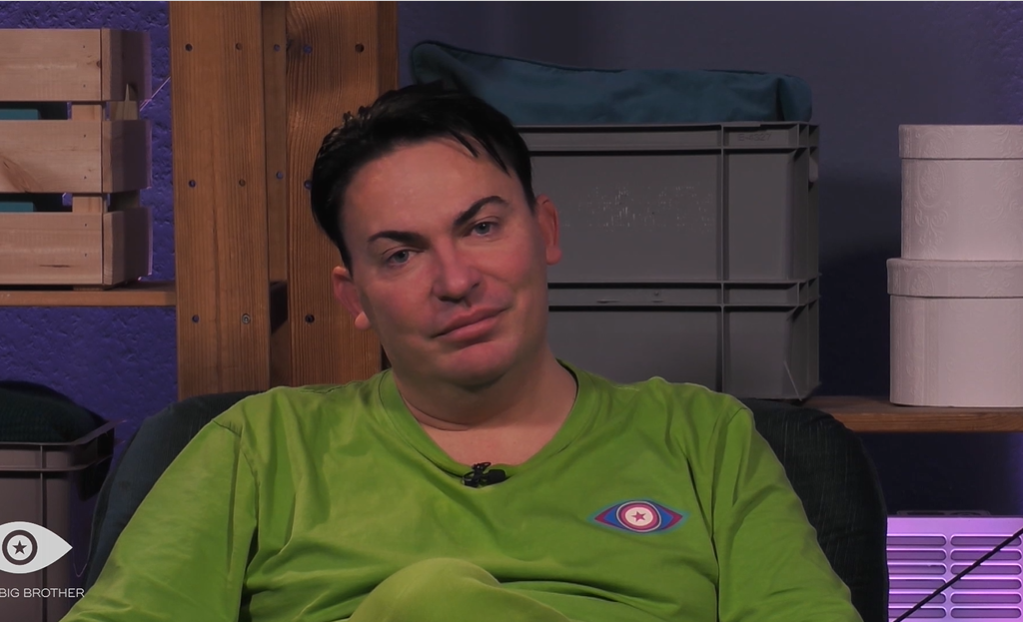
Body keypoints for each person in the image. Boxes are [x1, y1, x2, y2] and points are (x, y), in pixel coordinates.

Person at [61, 84, 862, 622]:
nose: (454, 280)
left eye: (481, 227)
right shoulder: (259, 447)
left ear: (543, 232)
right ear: (354, 296)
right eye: (400, 254)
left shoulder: (703, 441)